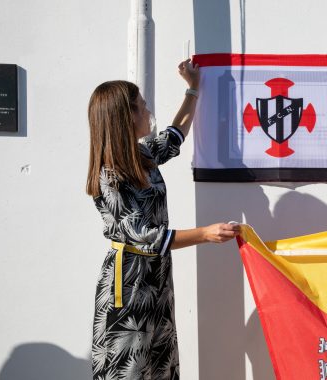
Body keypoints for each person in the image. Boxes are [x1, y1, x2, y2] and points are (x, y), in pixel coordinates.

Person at [85, 59, 240, 379]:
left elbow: (175, 135)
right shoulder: (110, 176)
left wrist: (193, 88)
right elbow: (146, 235)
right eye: (142, 107)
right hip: (128, 287)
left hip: (156, 280)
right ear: (125, 117)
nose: (148, 112)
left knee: (161, 367)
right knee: (126, 370)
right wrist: (206, 234)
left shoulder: (140, 156)